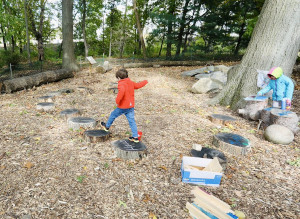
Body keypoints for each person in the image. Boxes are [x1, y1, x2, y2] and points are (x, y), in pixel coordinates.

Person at [101, 68, 148, 143]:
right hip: (130, 106)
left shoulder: (121, 84)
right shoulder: (131, 82)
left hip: (122, 106)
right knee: (132, 121)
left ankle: (107, 126)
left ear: (119, 78)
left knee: (113, 114)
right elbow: (138, 85)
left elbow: (121, 93)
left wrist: (117, 101)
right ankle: (135, 137)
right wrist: (145, 81)